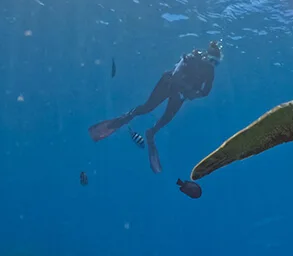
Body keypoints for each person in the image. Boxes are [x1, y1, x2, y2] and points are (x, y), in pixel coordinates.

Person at [88, 40, 222, 173]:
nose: (212, 65)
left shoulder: (210, 72)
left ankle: (151, 132)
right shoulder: (192, 58)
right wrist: (188, 90)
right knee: (148, 107)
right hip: (168, 84)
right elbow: (176, 74)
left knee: (167, 118)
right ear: (206, 56)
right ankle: (126, 117)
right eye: (212, 60)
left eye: (216, 63)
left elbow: (206, 92)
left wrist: (194, 94)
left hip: (181, 93)